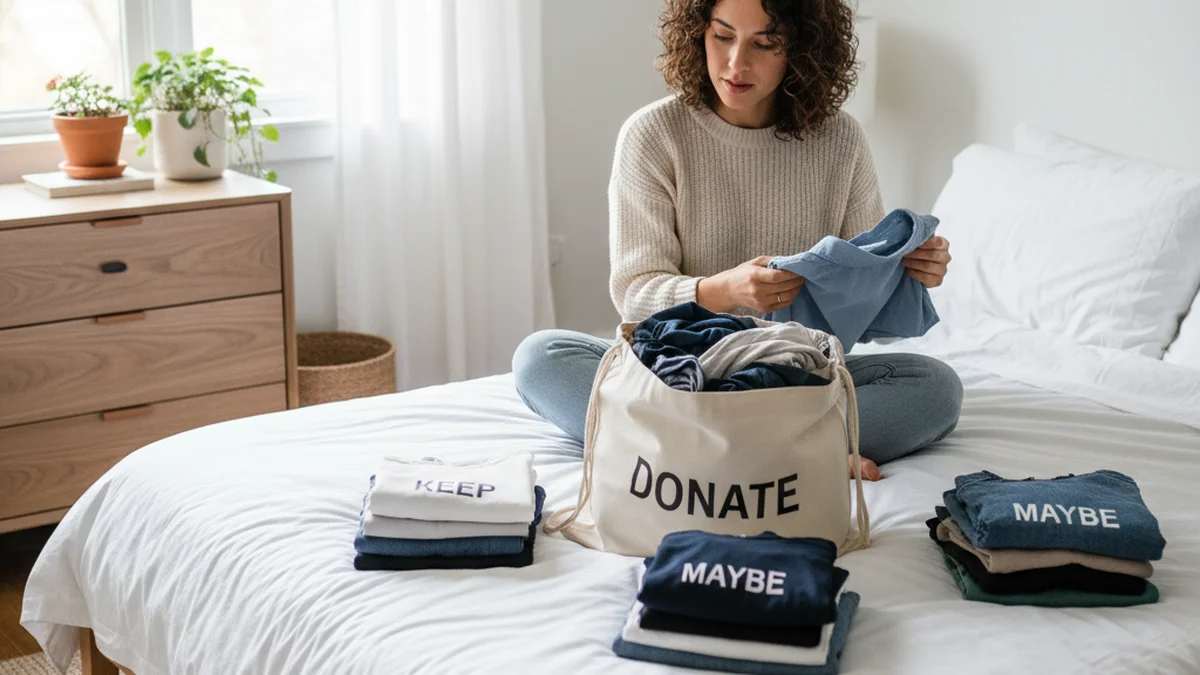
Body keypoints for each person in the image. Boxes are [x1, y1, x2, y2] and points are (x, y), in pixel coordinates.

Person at [513, 0, 962, 480]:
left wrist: (906, 276)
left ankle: (681, 449)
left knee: (936, 387)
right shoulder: (653, 134)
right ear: (696, 35)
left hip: (795, 377)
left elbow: (866, 317)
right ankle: (788, 452)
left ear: (803, 49)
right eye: (722, 37)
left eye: (765, 44)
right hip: (678, 370)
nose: (735, 64)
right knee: (541, 357)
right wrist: (720, 291)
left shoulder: (842, 140)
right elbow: (634, 294)